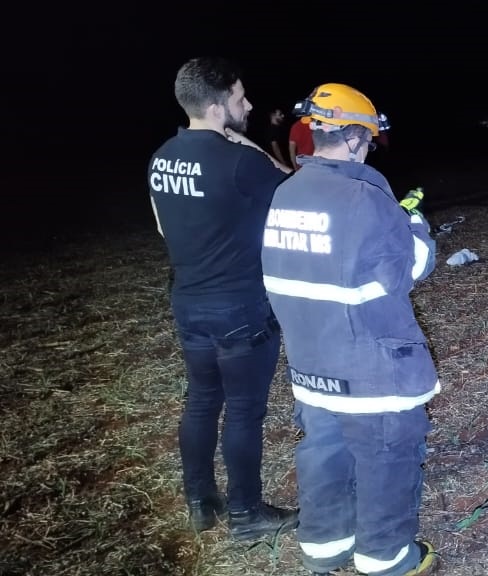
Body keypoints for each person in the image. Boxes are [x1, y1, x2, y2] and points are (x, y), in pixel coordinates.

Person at [261, 82, 440, 576]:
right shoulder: (366, 194)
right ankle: (386, 559)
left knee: (323, 452)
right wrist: (415, 225)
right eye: (370, 138)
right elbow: (406, 270)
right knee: (386, 457)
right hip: (370, 369)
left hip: (311, 364)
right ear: (358, 136)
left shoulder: (286, 193)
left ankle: (324, 547)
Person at [147, 56, 299, 540]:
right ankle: (246, 515)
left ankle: (200, 501)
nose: (248, 104)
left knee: (200, 402)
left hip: (188, 301)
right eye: (239, 97)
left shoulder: (162, 156)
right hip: (239, 306)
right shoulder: (239, 161)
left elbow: (160, 226)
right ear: (217, 108)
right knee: (244, 411)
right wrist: (249, 142)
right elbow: (293, 189)